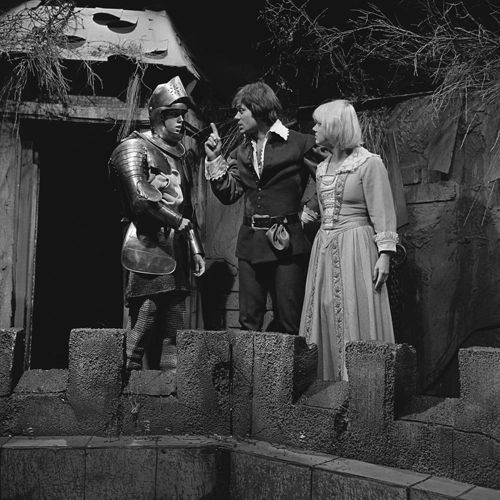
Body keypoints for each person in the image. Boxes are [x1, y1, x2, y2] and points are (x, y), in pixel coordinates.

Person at [204, 81, 322, 335]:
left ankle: (290, 363)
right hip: (251, 243)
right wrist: (214, 158)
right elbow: (229, 193)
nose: (236, 117)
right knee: (248, 320)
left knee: (289, 318)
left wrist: (310, 210)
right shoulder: (240, 152)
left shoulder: (300, 143)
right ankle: (249, 363)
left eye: (241, 111)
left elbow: (330, 179)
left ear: (258, 109)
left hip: (288, 243)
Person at [109, 76, 205, 372]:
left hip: (177, 245)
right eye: (173, 114)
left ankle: (169, 386)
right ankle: (127, 380)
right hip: (146, 242)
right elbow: (139, 201)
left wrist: (196, 250)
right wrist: (176, 221)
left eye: (182, 115)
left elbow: (187, 207)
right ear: (158, 115)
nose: (180, 121)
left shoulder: (181, 156)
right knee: (146, 314)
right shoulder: (134, 147)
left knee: (175, 320)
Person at [299, 99, 398, 381]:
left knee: (356, 308)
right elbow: (326, 211)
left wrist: (385, 255)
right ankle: (324, 383)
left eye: (319, 123)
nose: (314, 128)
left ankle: (359, 383)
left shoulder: (368, 163)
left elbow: (382, 211)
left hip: (356, 247)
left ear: (334, 126)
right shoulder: (322, 168)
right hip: (324, 247)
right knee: (325, 308)